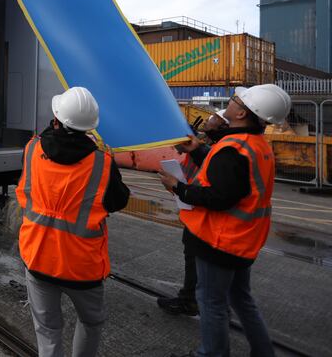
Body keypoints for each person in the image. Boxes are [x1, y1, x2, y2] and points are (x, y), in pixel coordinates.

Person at [160, 84, 291, 357]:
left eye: (234, 99)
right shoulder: (254, 144)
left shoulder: (233, 148)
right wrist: (197, 148)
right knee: (241, 298)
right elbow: (228, 176)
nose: (229, 102)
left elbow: (219, 195)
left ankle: (212, 353)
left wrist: (178, 187)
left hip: (221, 240)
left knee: (212, 302)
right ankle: (263, 351)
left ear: (242, 112)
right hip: (244, 238)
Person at [17, 87, 130, 357]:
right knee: (91, 323)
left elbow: (26, 190)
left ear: (55, 120)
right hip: (82, 267)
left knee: (47, 328)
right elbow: (118, 200)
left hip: (38, 256)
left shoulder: (33, 148)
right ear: (90, 128)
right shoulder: (102, 163)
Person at [157, 109, 230, 316]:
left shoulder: (222, 150)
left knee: (201, 264)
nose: (208, 119)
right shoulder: (210, 144)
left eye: (214, 118)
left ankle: (195, 302)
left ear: (225, 125)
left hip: (205, 214)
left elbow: (209, 160)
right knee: (192, 258)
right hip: (194, 208)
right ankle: (190, 298)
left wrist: (180, 187)